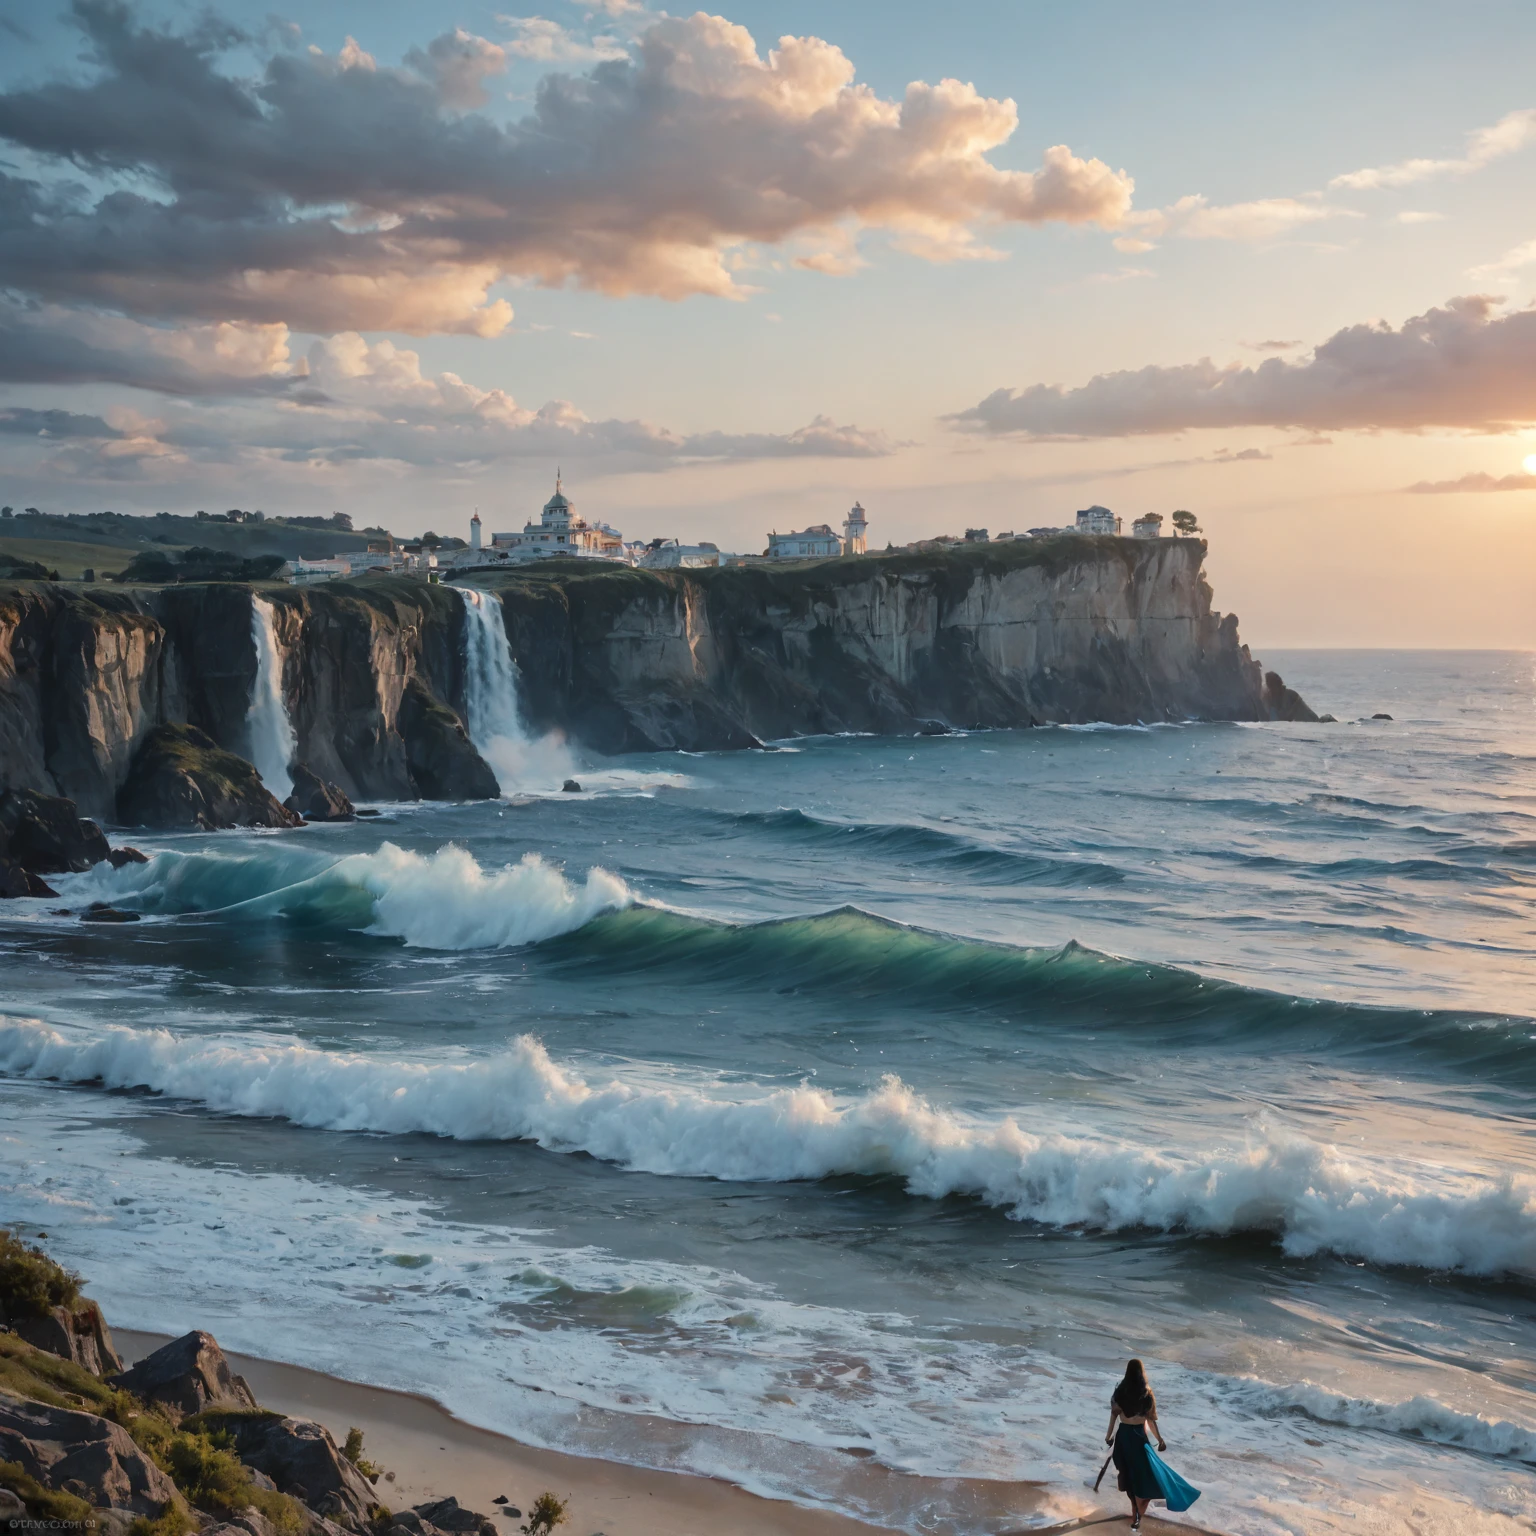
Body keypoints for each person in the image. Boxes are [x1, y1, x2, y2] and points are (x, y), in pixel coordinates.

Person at [1106, 1359, 1167, 1530]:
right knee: (1144, 1478)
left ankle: (1136, 1512)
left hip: (1123, 1437)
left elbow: (1113, 1417)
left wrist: (1108, 1436)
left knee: (1128, 1477)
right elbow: (1152, 1421)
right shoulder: (1147, 1393)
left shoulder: (1119, 1392)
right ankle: (1138, 1514)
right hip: (1139, 1438)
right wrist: (1160, 1440)